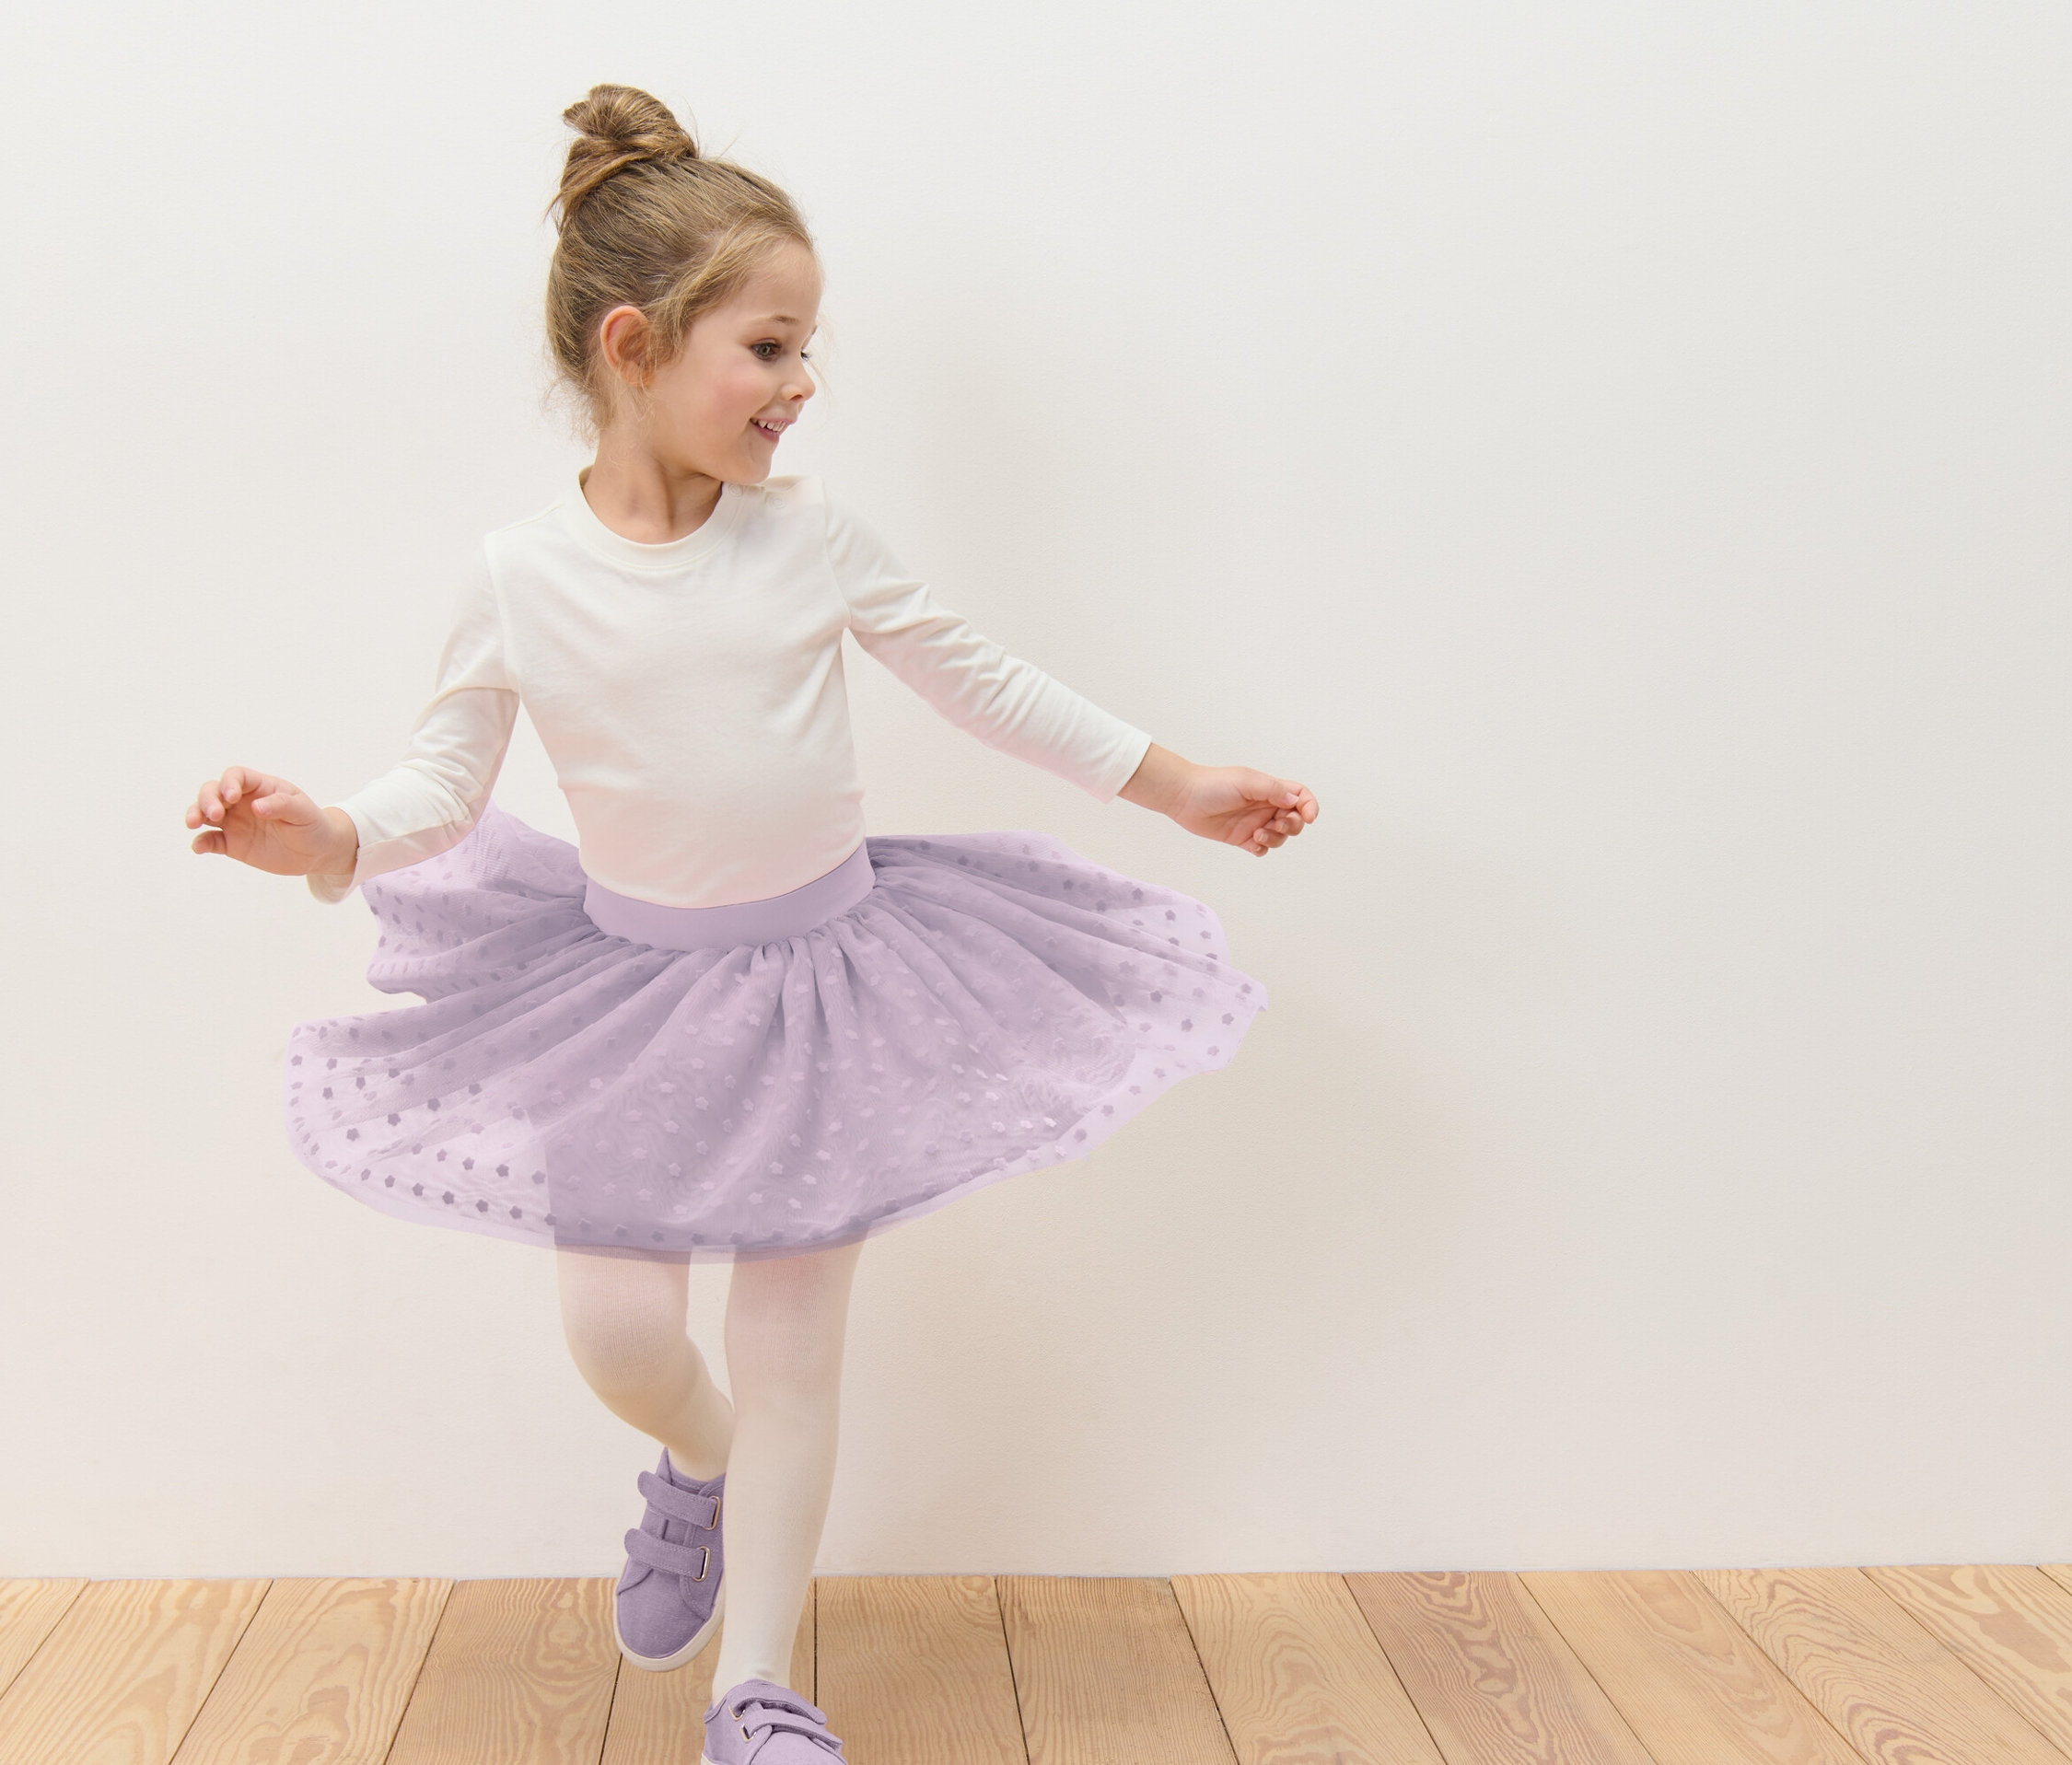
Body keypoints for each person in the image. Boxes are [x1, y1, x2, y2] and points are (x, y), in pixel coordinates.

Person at [183, 82, 1316, 1765]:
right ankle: (691, 1467)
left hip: (827, 989)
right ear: (634, 345)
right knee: (623, 1336)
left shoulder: (811, 542)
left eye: (805, 351)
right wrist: (322, 834)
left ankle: (758, 1687)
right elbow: (438, 777)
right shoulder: (518, 574)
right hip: (630, 993)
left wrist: (1174, 782)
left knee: (795, 1346)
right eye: (771, 350)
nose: (802, 388)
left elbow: (978, 678)